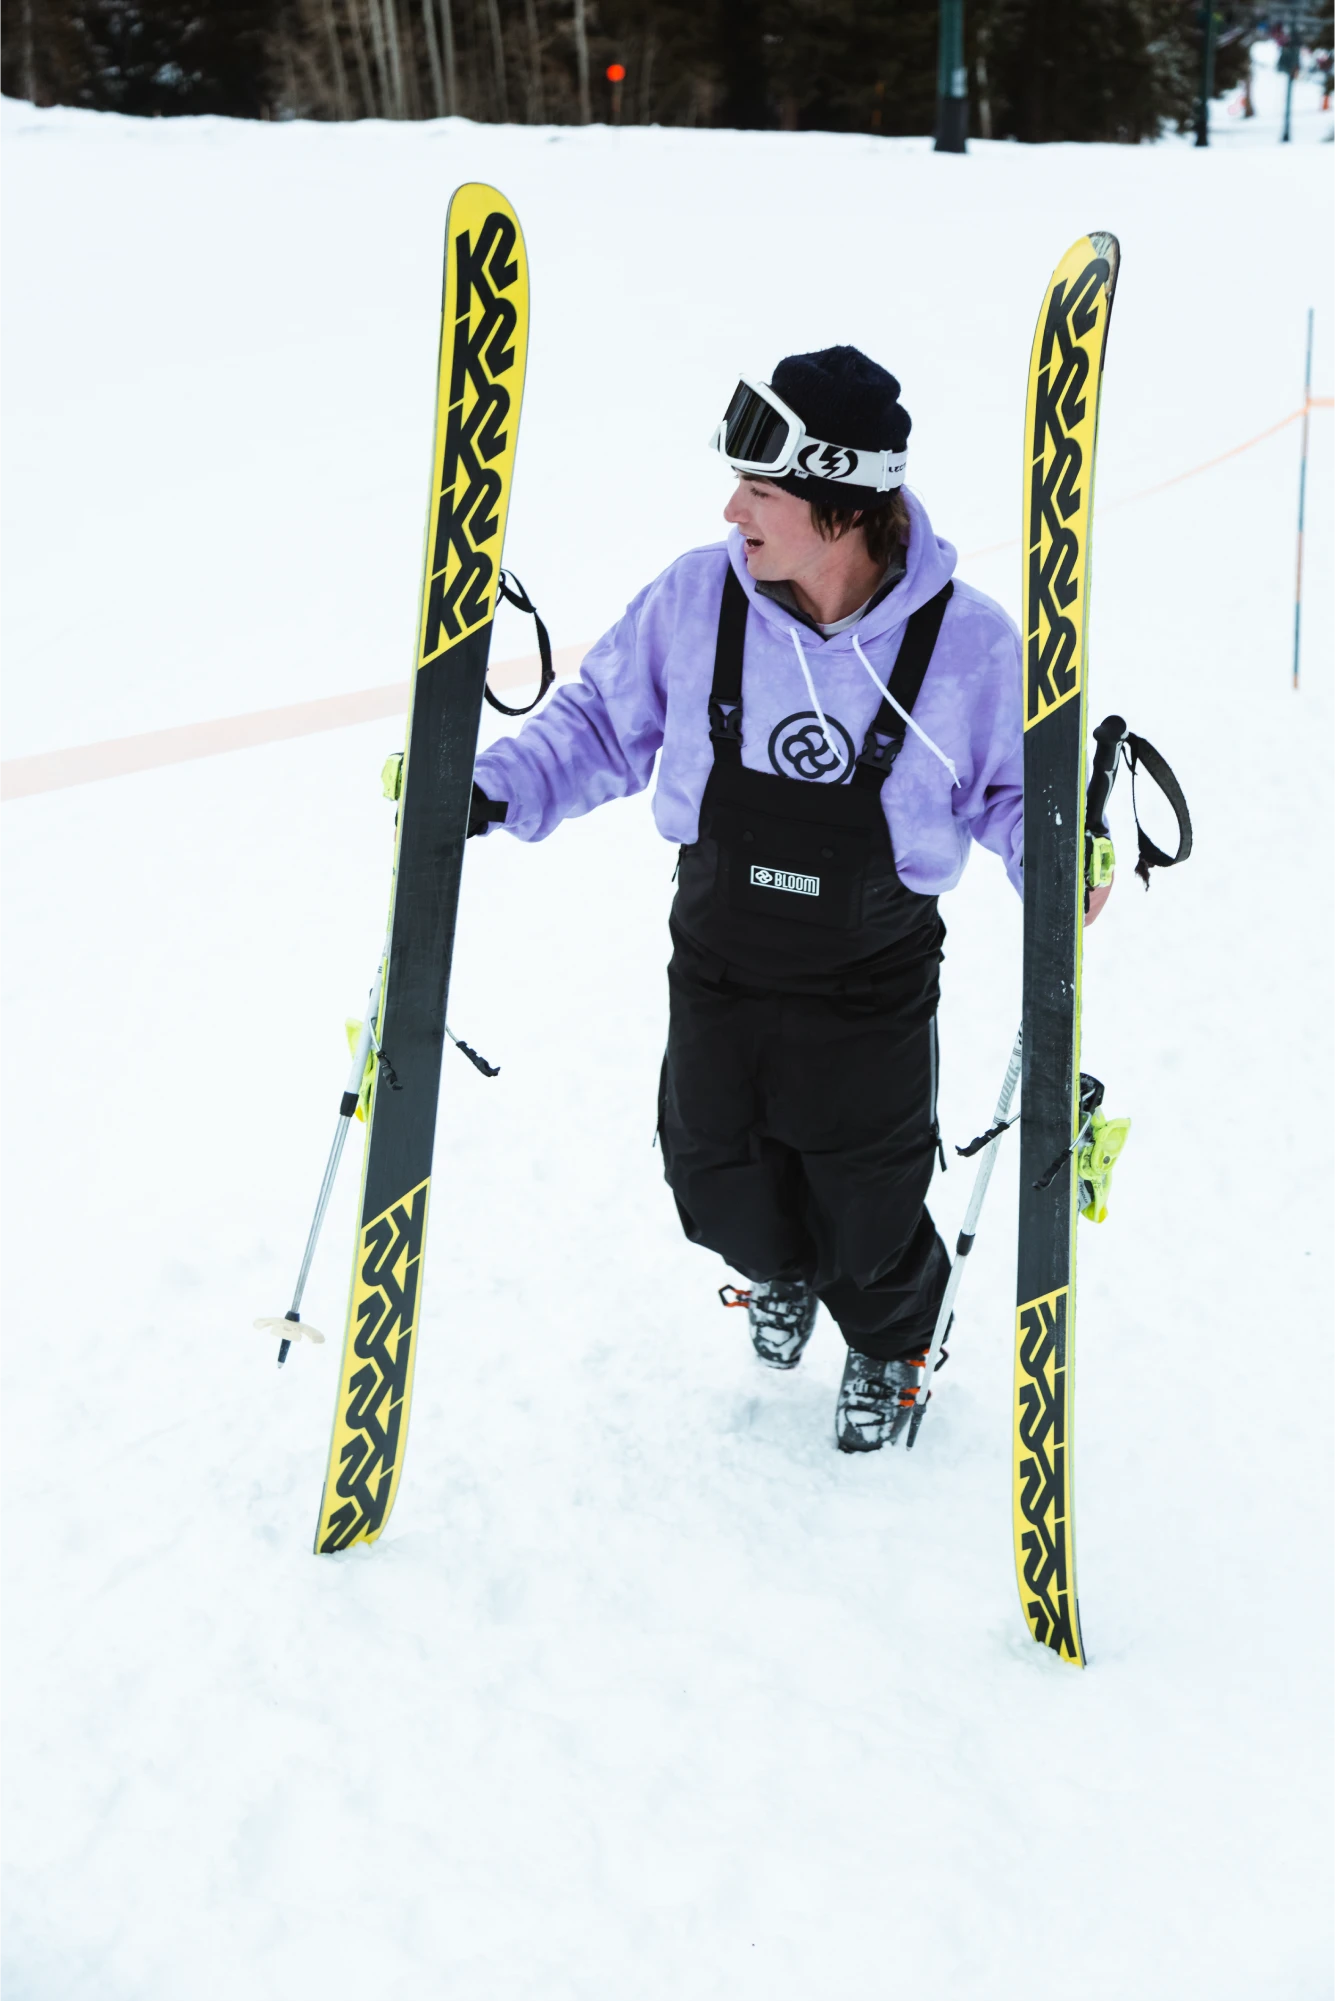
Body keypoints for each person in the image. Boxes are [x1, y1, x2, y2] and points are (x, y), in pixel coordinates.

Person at [469, 346, 1031, 1451]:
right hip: (723, 952)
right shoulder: (697, 596)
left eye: (761, 492)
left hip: (869, 976)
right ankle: (779, 1272)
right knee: (714, 1175)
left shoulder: (970, 647)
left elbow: (1015, 790)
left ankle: (889, 1342)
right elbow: (599, 724)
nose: (733, 510)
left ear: (840, 508)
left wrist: (1064, 860)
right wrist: (496, 788)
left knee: (865, 1207)